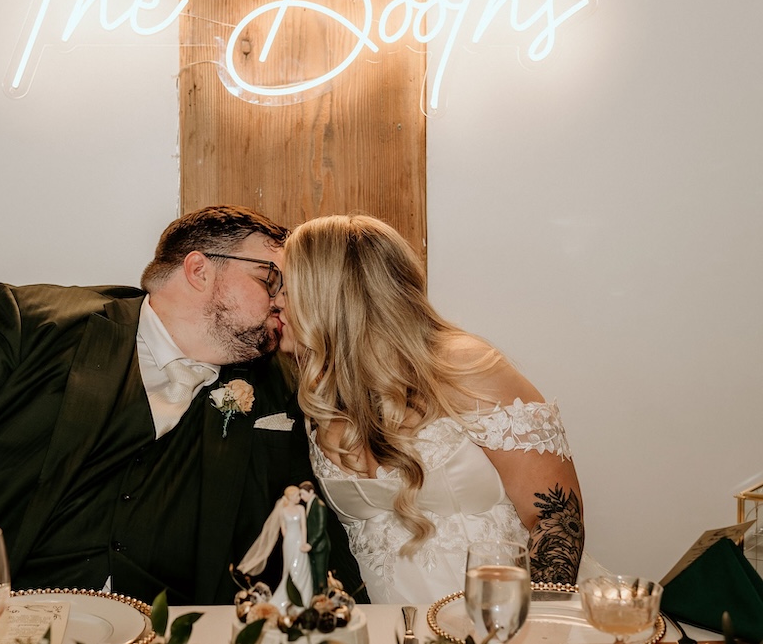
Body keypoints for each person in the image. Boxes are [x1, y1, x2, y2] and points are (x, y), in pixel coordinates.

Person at [0, 205, 365, 643]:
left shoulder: (275, 387)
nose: (285, 299)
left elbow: (310, 523)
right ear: (200, 269)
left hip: (166, 630)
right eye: (270, 277)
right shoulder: (36, 325)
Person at [278, 214, 586, 604]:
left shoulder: (466, 368)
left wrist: (532, 625)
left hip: (493, 624)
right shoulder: (318, 394)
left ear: (329, 294)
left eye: (285, 288)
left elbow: (557, 520)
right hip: (384, 629)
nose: (275, 301)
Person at [236, 485, 313, 613]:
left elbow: (303, 527)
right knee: (289, 568)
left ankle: (304, 598)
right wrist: (289, 540)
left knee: (301, 567)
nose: (299, 498)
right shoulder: (283, 511)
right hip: (289, 541)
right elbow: (283, 529)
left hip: (299, 539)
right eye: (297, 496)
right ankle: (288, 595)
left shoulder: (300, 509)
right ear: (290, 497)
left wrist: (303, 542)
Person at [298, 481, 331, 594]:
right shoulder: (309, 505)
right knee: (314, 576)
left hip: (319, 546)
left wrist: (310, 544)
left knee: (320, 575)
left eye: (302, 494)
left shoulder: (319, 506)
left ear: (311, 491)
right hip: (313, 547)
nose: (301, 497)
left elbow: (320, 529)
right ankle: (316, 598)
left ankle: (323, 599)